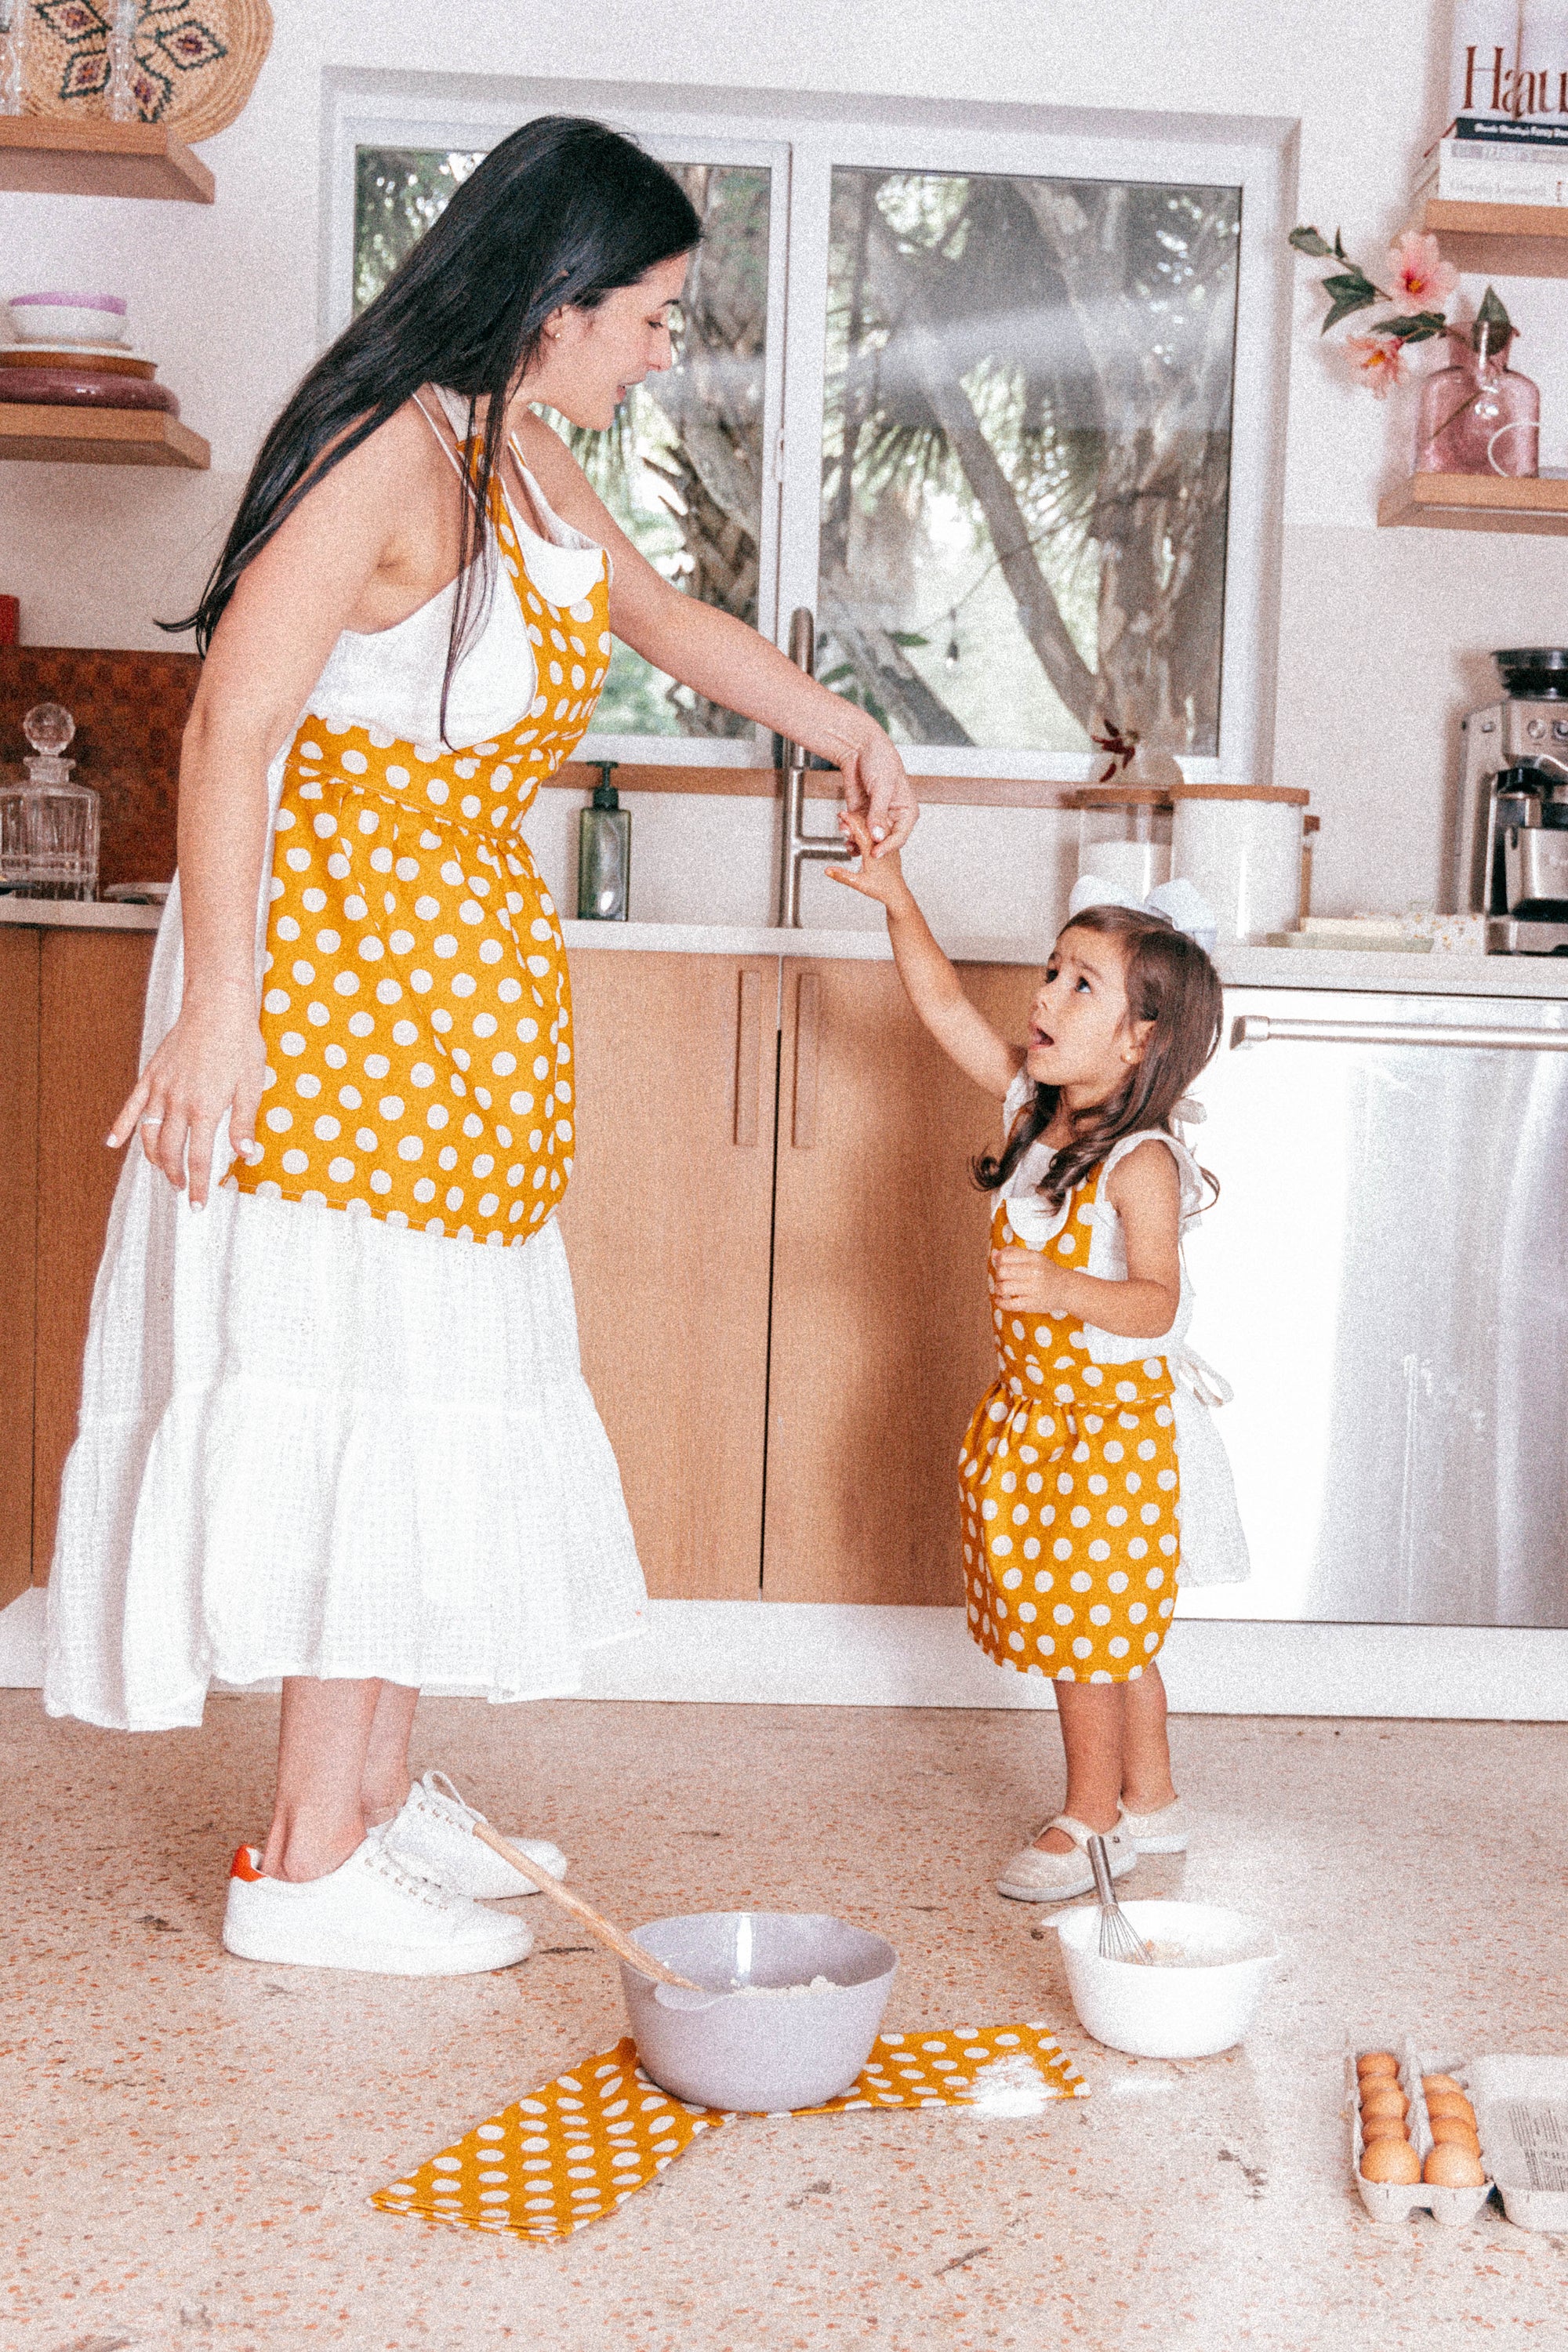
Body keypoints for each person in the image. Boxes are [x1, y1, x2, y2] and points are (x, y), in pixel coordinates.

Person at [43, 117, 917, 1977]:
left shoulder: (510, 455)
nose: (669, 347)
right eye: (657, 313)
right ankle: (301, 1869)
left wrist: (845, 728)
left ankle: (367, 1811)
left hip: (452, 1025)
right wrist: (217, 1012)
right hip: (342, 1018)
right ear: (556, 300)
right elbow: (234, 728)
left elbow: (664, 619)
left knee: (423, 1403)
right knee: (361, 1403)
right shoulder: (380, 457)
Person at [828, 826, 1245, 1902]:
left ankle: (1090, 1818)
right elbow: (942, 1009)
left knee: (1087, 1637)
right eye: (1052, 972)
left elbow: (1155, 1306)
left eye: (1081, 985)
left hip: (1109, 1436)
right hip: (1039, 1426)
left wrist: (1064, 1290)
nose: (1046, 997)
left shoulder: (1140, 1164)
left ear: (1142, 1039)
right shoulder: (1034, 1114)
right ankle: (1153, 1802)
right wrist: (895, 896)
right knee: (1111, 1632)